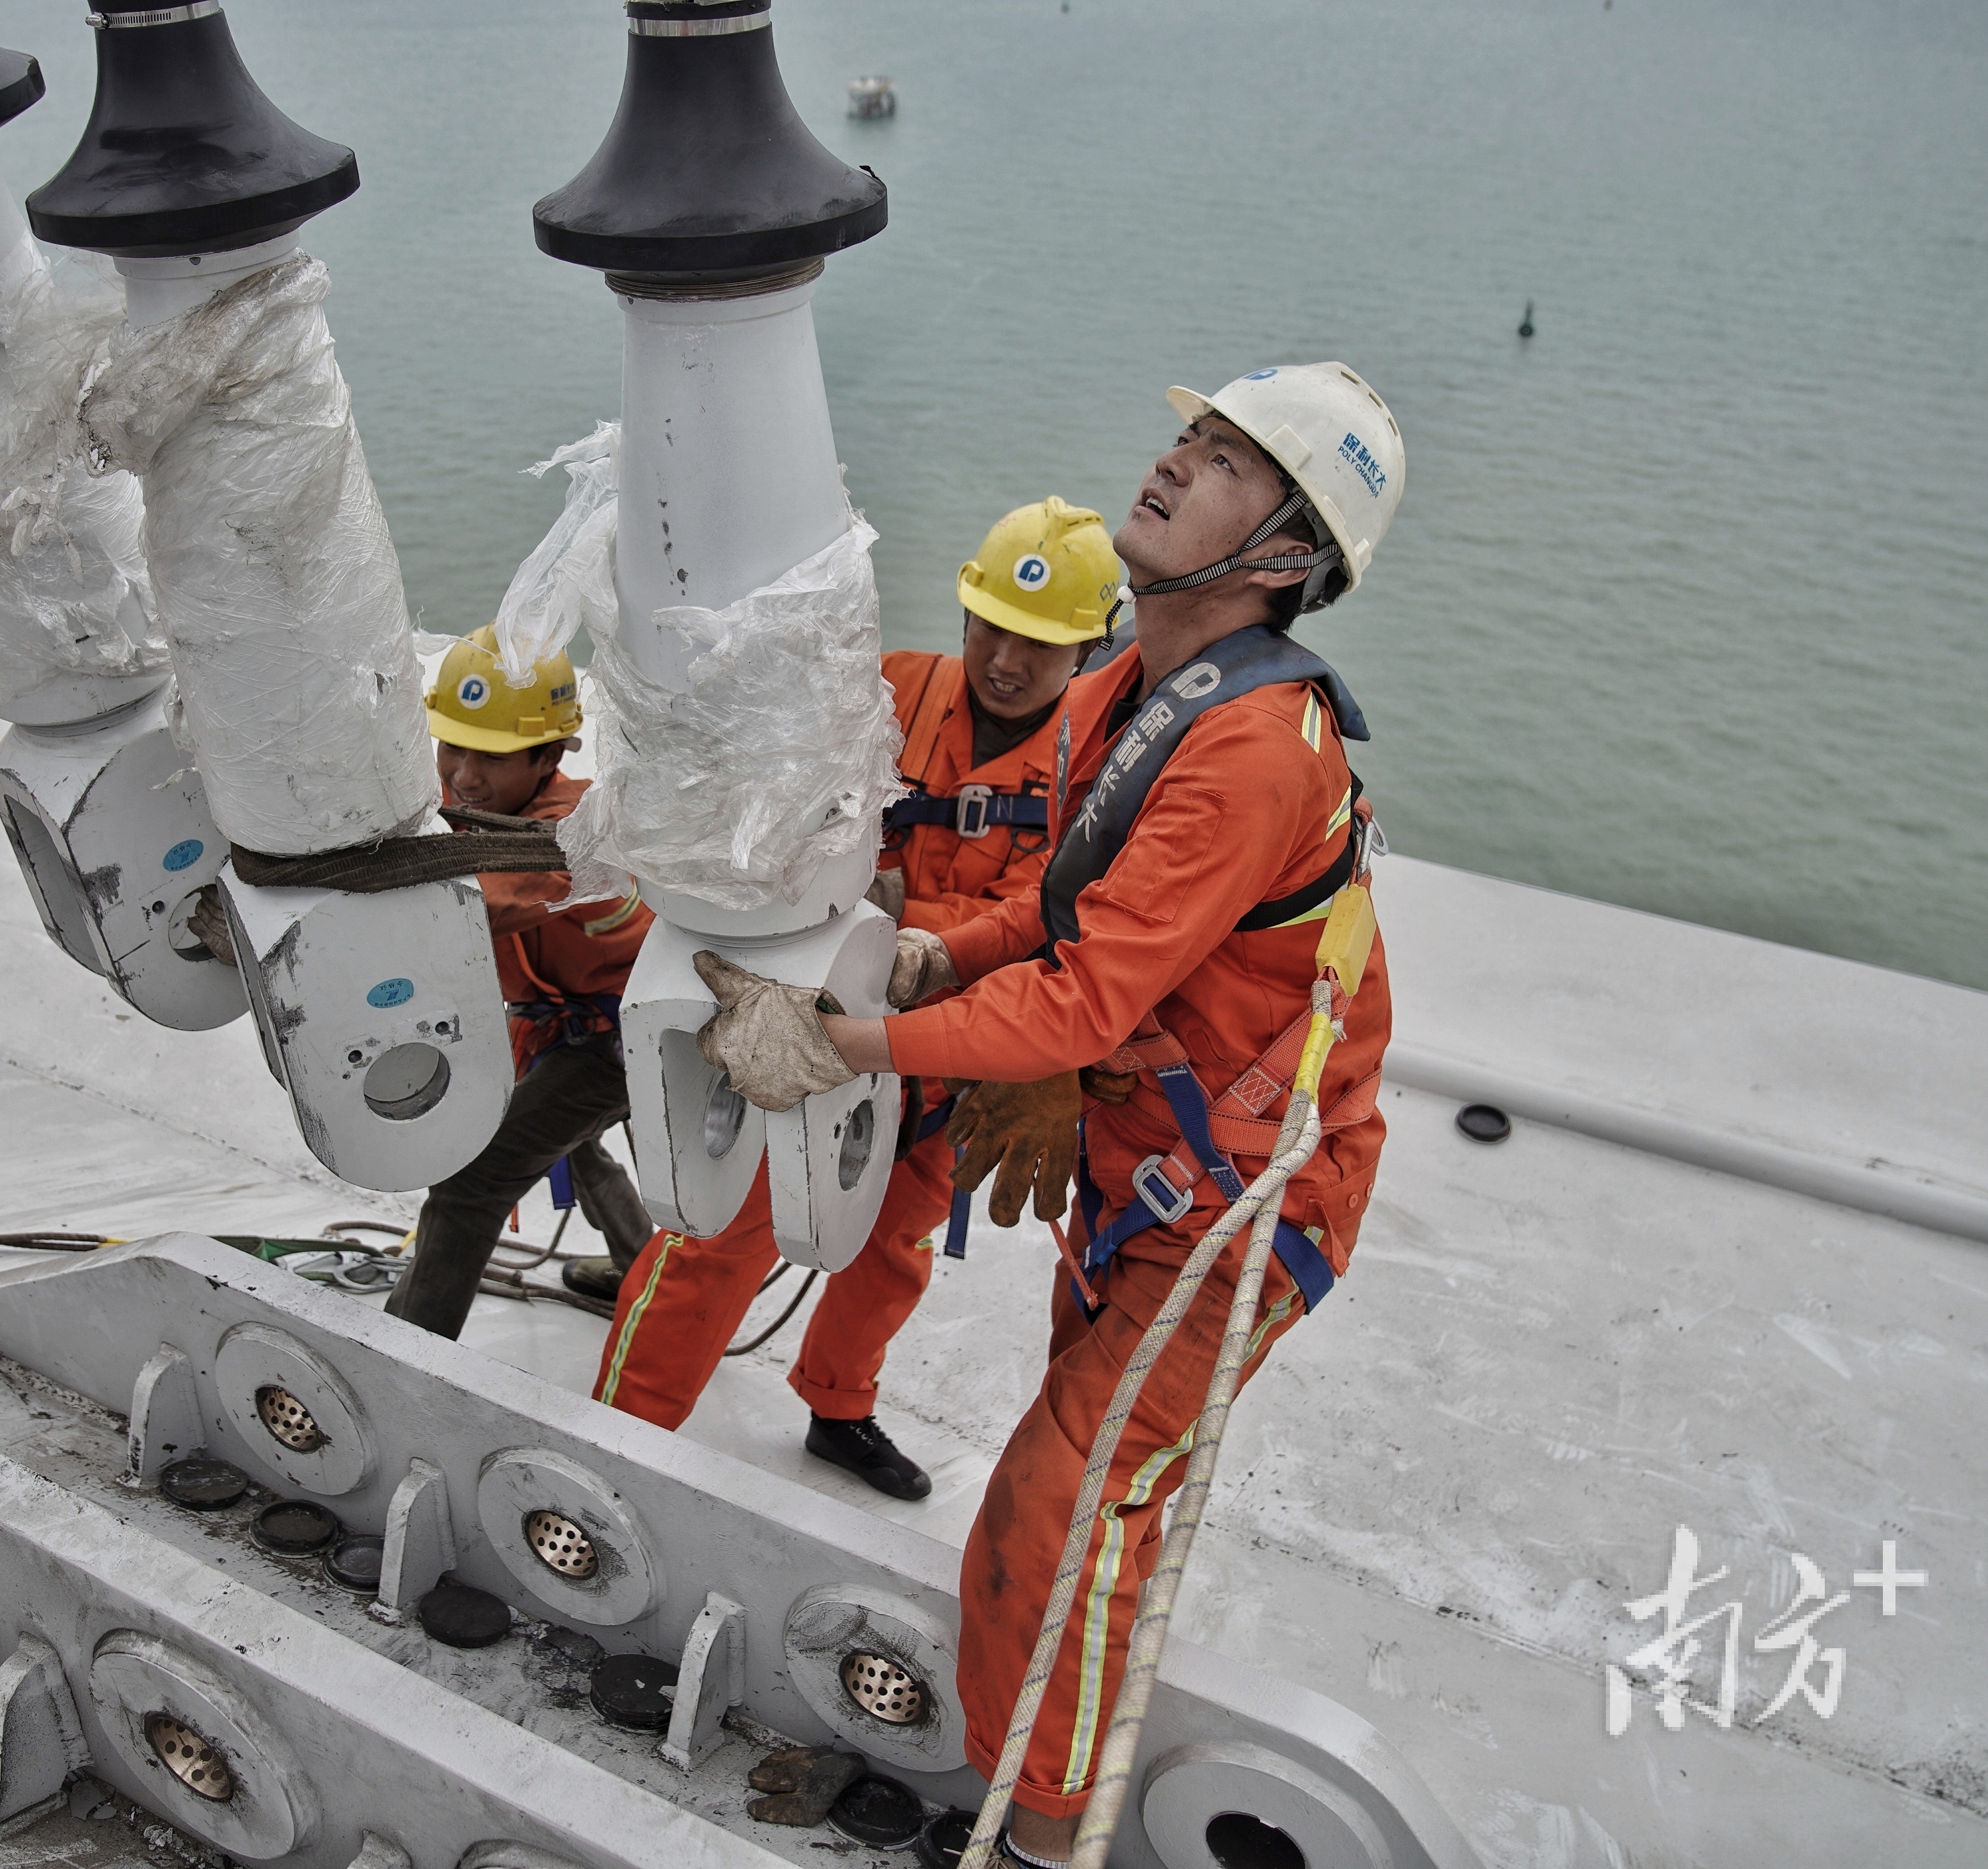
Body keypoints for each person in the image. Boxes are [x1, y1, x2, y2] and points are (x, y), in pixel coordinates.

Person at [693, 364, 1404, 1866]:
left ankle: (1039, 1836)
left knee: (1061, 1508)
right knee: (1083, 1503)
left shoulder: (1248, 754)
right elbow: (1069, 901)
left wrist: (841, 1041)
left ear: (1285, 554)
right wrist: (940, 955)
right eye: (1189, 436)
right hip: (1150, 1175)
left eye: (1226, 461)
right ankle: (1036, 1787)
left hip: (1243, 1203)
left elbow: (1083, 1000)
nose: (1175, 461)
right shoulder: (1127, 692)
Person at [592, 498, 1123, 1500]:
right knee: (718, 1238)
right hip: (807, 1030)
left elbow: (1065, 920)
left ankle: (839, 1406)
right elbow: (780, 820)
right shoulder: (888, 692)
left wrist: (910, 915)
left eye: (1042, 645)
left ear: (1091, 649)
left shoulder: (1103, 768)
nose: (1008, 660)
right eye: (993, 628)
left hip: (954, 1063)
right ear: (965, 612)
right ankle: (615, 1443)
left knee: (893, 1248)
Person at [383, 625, 657, 1336]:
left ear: (549, 756)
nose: (464, 774)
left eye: (492, 756)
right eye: (452, 746)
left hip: (624, 1038)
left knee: (471, 1183)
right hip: (567, 1023)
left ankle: (404, 1352)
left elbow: (468, 902)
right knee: (568, 1136)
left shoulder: (569, 835)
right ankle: (639, 1270)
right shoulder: (483, 812)